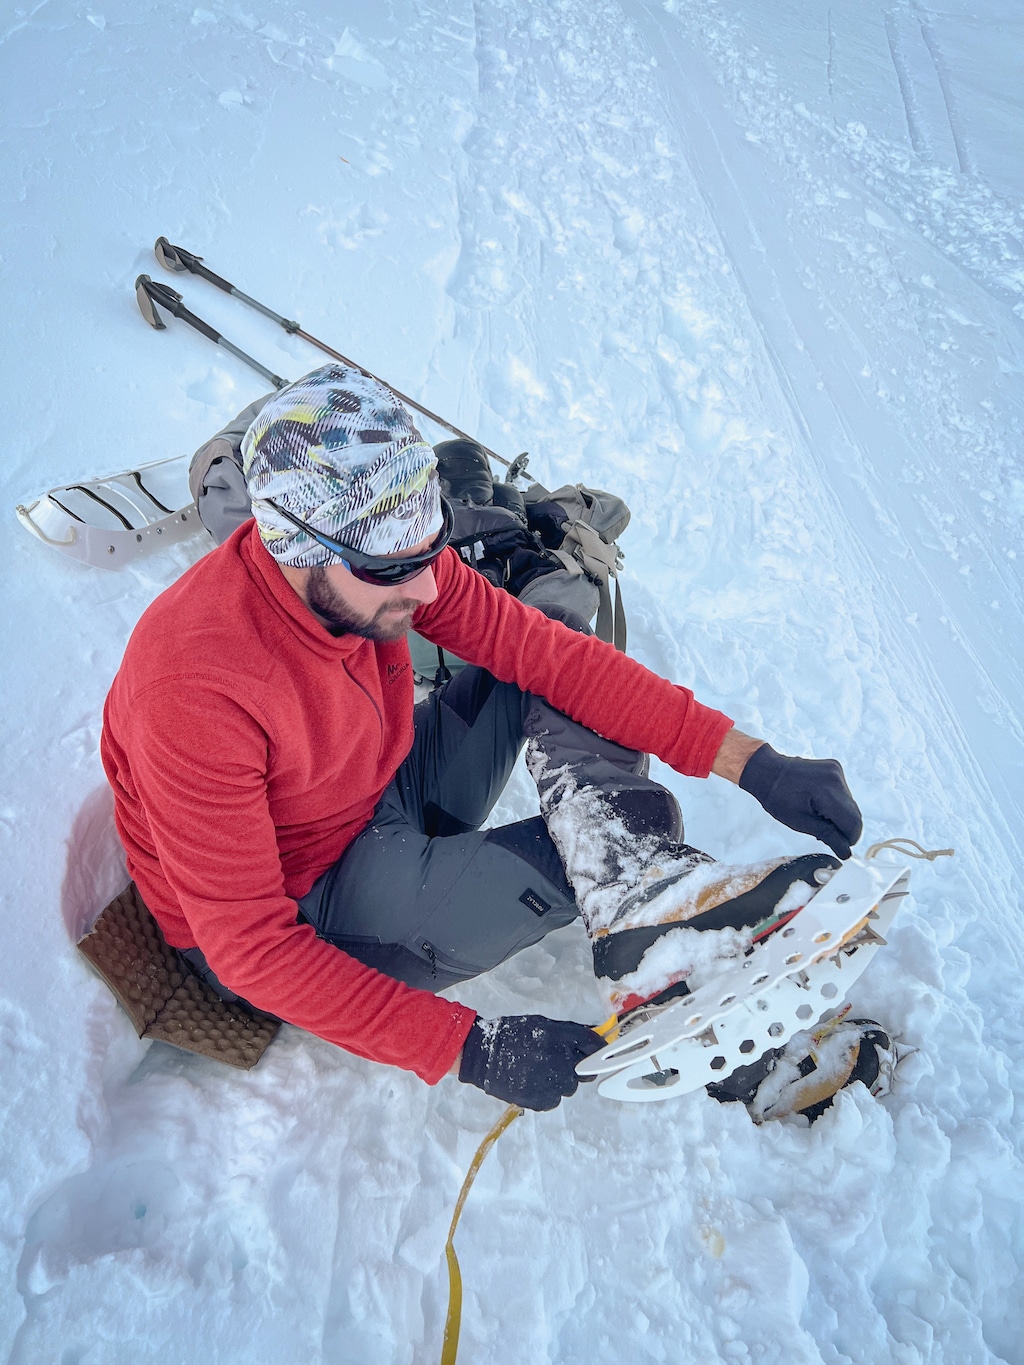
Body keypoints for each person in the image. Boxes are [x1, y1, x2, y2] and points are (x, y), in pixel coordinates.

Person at [101, 365, 884, 1118]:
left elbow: (547, 653)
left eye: (426, 552)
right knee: (564, 861)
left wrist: (752, 761)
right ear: (300, 548)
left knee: (568, 729)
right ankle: (746, 1053)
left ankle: (639, 892)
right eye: (395, 569)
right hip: (308, 902)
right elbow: (252, 949)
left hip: (373, 791)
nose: (426, 587)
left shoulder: (377, 551)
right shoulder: (193, 689)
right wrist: (470, 1047)